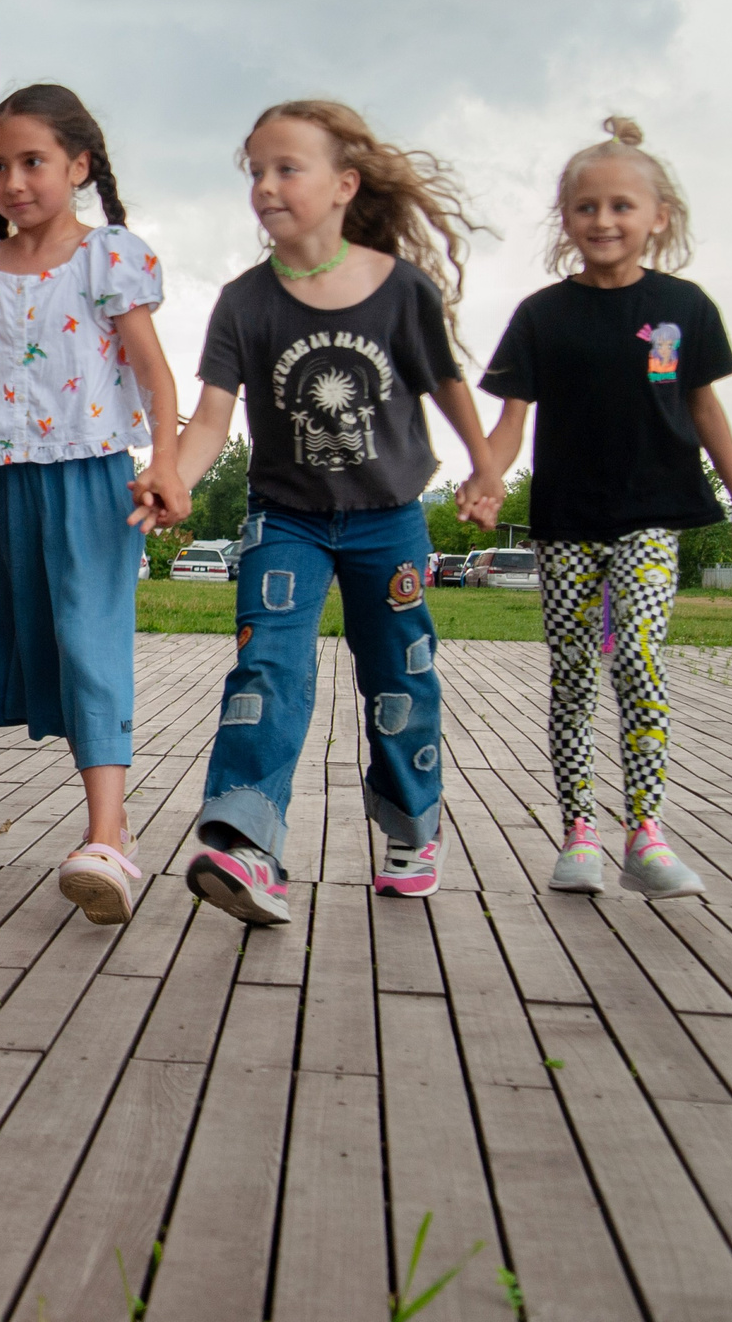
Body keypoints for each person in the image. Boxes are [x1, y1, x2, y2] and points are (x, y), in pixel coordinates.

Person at [159, 100, 505, 927]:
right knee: (267, 669)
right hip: (287, 517)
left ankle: (412, 829)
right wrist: (168, 474)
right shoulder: (245, 301)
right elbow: (211, 419)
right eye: (256, 172)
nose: (266, 187)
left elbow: (448, 387)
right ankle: (246, 844)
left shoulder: (400, 291)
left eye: (287, 169)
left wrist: (486, 466)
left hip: (390, 517)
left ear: (345, 185)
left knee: (402, 676)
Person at [480, 117, 732, 899]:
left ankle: (645, 832)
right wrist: (487, 479)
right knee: (573, 673)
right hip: (567, 519)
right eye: (586, 207)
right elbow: (510, 422)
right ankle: (580, 833)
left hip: (653, 510)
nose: (603, 221)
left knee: (640, 658)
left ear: (658, 218)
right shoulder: (542, 316)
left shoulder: (683, 306)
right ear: (566, 219)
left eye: (621, 206)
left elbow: (705, 407)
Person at [0, 84, 186, 925]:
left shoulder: (107, 256)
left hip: (93, 476)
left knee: (88, 643)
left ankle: (106, 836)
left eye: (32, 162)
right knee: (44, 647)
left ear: (78, 165)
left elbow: (153, 371)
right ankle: (113, 829)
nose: (12, 181)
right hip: (4, 479)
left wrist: (169, 463)